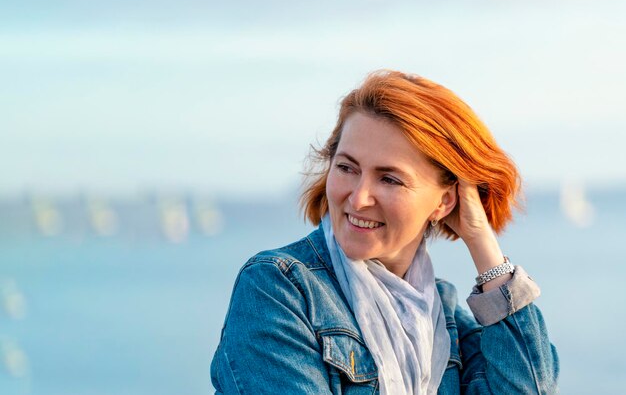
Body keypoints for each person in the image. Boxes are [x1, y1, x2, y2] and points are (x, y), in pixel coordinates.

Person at [210, 70, 559, 394]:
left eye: (389, 179)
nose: (358, 198)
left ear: (445, 201)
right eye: (347, 167)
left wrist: (480, 238)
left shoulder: (445, 317)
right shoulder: (280, 288)